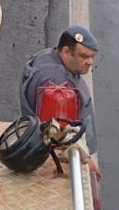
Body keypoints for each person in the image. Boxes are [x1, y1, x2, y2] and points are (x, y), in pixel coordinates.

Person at [19, 25, 101, 195]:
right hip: (57, 159)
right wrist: (86, 160)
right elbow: (59, 134)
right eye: (84, 56)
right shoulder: (57, 86)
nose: (90, 62)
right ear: (65, 52)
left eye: (92, 57)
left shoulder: (48, 57)